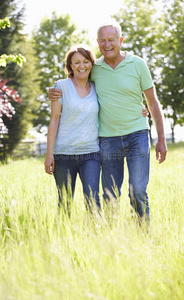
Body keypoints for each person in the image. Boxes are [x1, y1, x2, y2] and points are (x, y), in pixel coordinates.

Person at [48, 26, 159, 223]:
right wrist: (52, 92)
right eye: (103, 40)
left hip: (132, 137)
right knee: (108, 195)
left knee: (137, 191)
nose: (107, 44)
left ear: (120, 40)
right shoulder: (94, 69)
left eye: (111, 39)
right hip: (107, 140)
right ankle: (108, 237)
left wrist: (155, 129)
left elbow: (149, 101)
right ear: (98, 42)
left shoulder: (135, 64)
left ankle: (143, 235)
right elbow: (74, 82)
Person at [44, 45, 101, 212]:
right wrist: (49, 155)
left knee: (93, 200)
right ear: (70, 66)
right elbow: (54, 120)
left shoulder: (98, 88)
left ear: (91, 63)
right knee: (65, 202)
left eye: (85, 61)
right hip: (63, 155)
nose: (81, 66)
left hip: (91, 154)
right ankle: (63, 236)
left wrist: (139, 110)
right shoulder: (60, 87)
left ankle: (97, 235)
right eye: (76, 62)